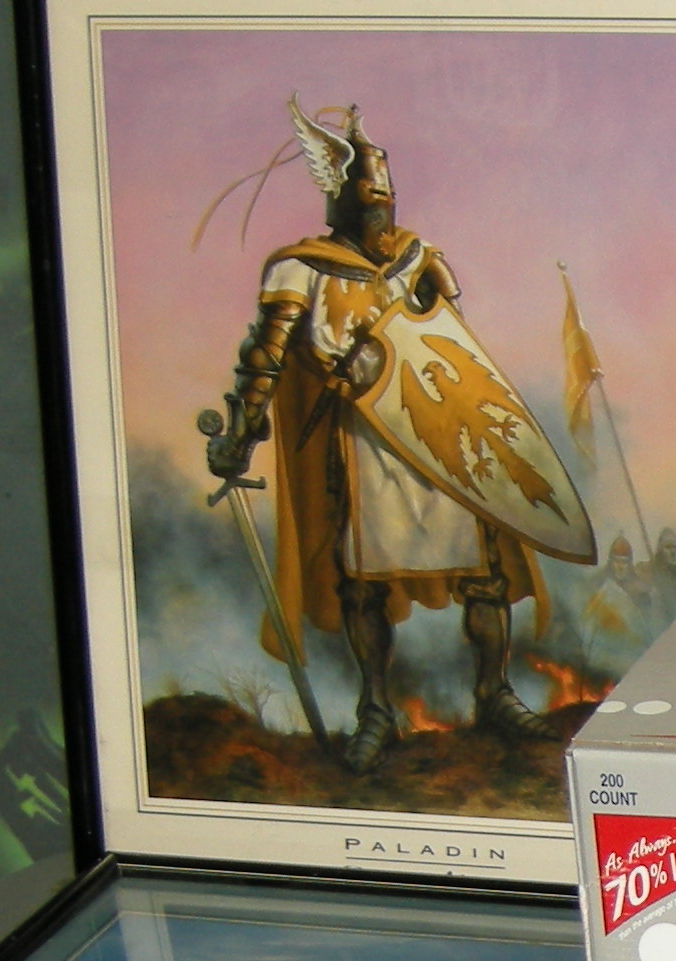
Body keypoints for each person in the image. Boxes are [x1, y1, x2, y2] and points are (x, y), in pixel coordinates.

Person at [203, 102, 596, 768]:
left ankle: (494, 693)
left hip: (441, 438)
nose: (380, 200)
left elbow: (457, 351)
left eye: (384, 187)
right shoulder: (300, 268)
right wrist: (241, 431)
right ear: (341, 193)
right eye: (369, 188)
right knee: (363, 581)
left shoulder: (422, 259)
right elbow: (264, 356)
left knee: (484, 574)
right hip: (361, 441)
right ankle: (377, 710)